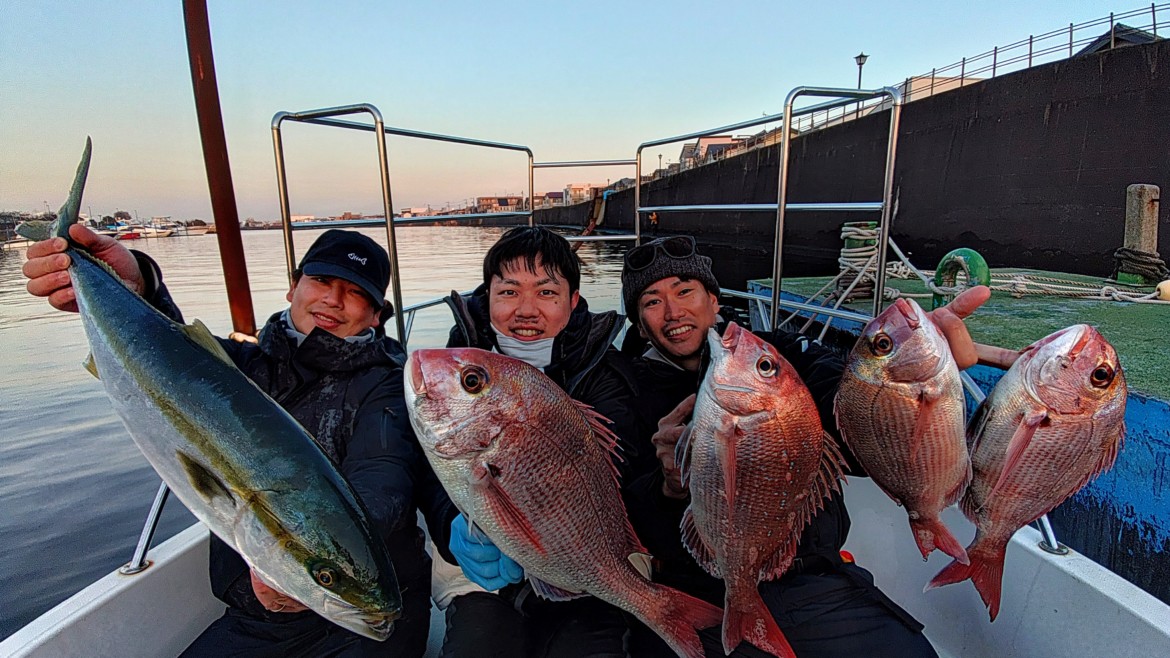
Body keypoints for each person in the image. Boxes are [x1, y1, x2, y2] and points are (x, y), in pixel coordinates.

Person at [23, 226, 449, 658]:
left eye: (356, 292)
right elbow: (169, 354)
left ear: (376, 315)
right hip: (258, 618)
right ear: (293, 288)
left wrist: (315, 567)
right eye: (321, 280)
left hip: (365, 607)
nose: (333, 299)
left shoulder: (389, 386)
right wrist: (140, 283)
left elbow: (382, 477)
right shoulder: (239, 365)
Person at [618, 235, 1016, 658]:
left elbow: (847, 410)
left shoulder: (785, 355)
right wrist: (668, 487)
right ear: (640, 325)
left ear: (714, 301)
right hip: (698, 589)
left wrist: (908, 368)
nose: (674, 312)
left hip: (813, 580)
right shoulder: (624, 390)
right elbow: (627, 513)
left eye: (685, 291)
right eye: (652, 302)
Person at [431, 225, 645, 658]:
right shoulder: (454, 368)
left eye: (546, 292)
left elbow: (624, 478)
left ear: (573, 300)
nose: (526, 310)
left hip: (584, 564)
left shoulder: (608, 374)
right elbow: (430, 470)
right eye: (509, 292)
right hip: (483, 576)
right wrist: (451, 519)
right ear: (487, 297)